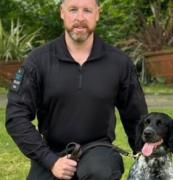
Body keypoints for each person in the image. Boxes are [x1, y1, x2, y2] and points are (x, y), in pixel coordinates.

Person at [5, 0, 148, 179]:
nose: (80, 18)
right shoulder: (38, 61)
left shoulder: (119, 63)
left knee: (99, 172)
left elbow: (137, 118)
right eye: (73, 9)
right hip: (52, 152)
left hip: (99, 151)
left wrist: (145, 159)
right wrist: (50, 160)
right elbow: (16, 116)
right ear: (62, 12)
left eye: (87, 10)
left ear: (97, 14)